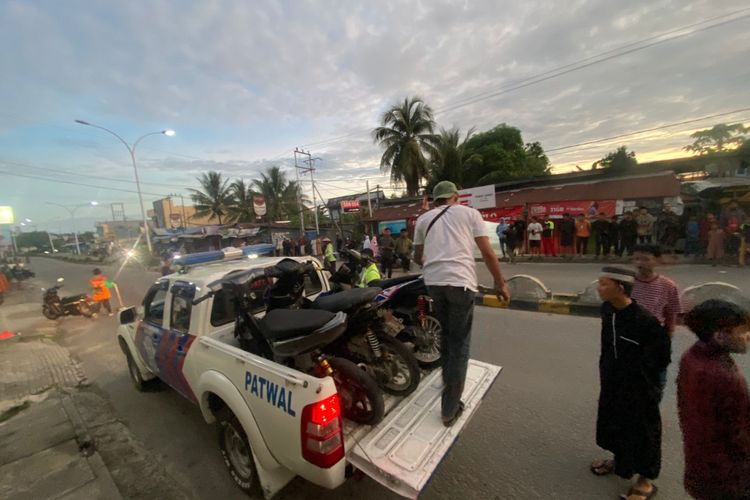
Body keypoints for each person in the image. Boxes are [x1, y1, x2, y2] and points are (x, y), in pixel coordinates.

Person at [414, 181, 509, 427]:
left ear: (435, 200)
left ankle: (448, 383)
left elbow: (416, 256)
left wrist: (434, 260)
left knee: (447, 336)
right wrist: (500, 282)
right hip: (461, 284)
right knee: (459, 343)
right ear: (455, 196)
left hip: (434, 283)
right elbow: (487, 252)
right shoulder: (470, 213)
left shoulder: (423, 220)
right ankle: (449, 408)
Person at [590, 266, 671, 500]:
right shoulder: (608, 310)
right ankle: (620, 462)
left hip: (639, 387)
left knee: (643, 431)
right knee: (614, 422)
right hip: (612, 381)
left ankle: (645, 481)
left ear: (620, 287)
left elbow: (661, 357)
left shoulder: (645, 321)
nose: (599, 287)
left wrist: (645, 384)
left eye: (604, 284)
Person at [678, 299, 750, 500]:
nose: (747, 336)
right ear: (720, 335)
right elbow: (739, 434)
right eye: (742, 331)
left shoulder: (691, 356)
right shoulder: (725, 377)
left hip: (698, 460)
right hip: (726, 473)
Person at [631, 244, 681, 400]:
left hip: (656, 336)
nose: (640, 263)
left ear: (657, 261)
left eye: (646, 259)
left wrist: (669, 335)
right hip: (631, 335)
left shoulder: (668, 286)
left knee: (657, 376)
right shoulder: (627, 283)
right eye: (637, 259)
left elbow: (671, 312)